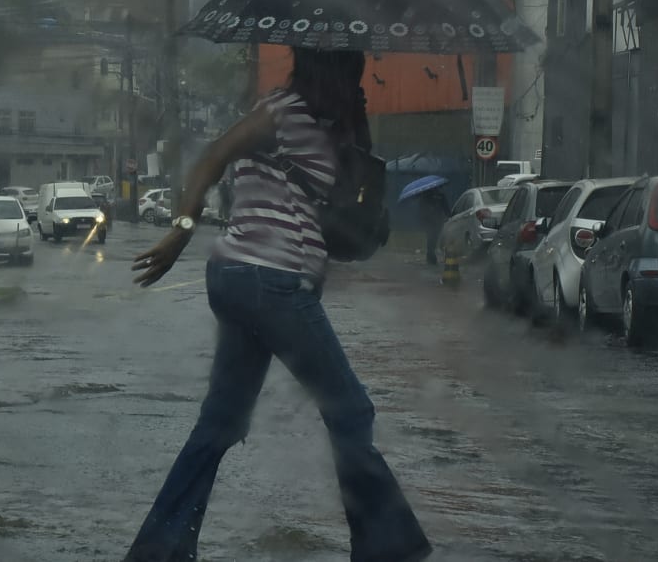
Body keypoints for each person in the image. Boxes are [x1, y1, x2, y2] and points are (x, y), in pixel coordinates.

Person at [126, 47, 432, 562]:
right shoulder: (281, 111)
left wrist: (358, 119)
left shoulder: (326, 126)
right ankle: (387, 547)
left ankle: (161, 549)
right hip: (270, 280)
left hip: (247, 281)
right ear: (323, 72)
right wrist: (181, 229)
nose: (355, 84)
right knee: (351, 410)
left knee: (221, 422)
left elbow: (359, 206)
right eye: (349, 74)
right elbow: (212, 155)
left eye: (358, 78)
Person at [418, 189, 451, 265]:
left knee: (434, 238)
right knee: (430, 238)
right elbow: (421, 209)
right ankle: (431, 256)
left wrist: (448, 215)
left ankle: (430, 255)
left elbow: (445, 207)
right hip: (429, 221)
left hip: (437, 221)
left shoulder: (441, 196)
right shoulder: (426, 196)